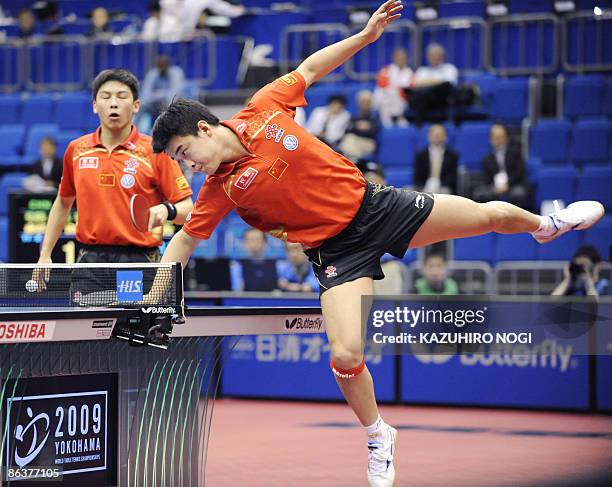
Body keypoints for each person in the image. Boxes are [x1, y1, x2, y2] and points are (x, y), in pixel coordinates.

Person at [148, 2, 604, 484]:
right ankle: (378, 435)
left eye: (183, 154)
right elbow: (183, 243)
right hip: (336, 252)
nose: (187, 166)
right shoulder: (219, 190)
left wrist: (366, 36)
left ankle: (547, 225)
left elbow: (311, 67)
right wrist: (155, 296)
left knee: (489, 214)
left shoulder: (263, 107)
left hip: (377, 207)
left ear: (203, 128)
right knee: (345, 356)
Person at [35, 69, 193, 297]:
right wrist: (45, 254)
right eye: (106, 97)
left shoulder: (154, 152)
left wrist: (166, 210)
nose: (114, 104)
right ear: (94, 106)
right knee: (84, 331)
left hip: (139, 260)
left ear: (136, 105)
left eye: (122, 96)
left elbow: (189, 212)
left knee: (136, 330)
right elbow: (63, 203)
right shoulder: (76, 150)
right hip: (90, 262)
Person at [473, 123, 531, 210]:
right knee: (480, 193)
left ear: (506, 137)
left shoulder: (515, 153)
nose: (497, 139)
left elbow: (519, 172)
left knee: (519, 193)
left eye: (500, 136)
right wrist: (495, 187)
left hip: (512, 185)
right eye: (494, 137)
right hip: (494, 187)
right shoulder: (487, 159)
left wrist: (507, 185)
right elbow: (486, 178)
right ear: (490, 139)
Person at [407, 43, 458, 125]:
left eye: (437, 55)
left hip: (441, 99)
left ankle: (418, 124)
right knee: (417, 93)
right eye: (432, 55)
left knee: (443, 87)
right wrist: (435, 82)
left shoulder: (449, 68)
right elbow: (415, 83)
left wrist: (427, 82)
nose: (434, 57)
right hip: (425, 98)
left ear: (442, 56)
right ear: (428, 56)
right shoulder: (422, 70)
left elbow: (448, 84)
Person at [137, 55, 186, 133]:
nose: (162, 67)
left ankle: (171, 131)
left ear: (168, 65)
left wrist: (159, 95)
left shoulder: (177, 72)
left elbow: (174, 94)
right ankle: (136, 130)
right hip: (155, 104)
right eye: (160, 66)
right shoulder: (153, 73)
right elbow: (145, 94)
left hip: (172, 103)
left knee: (170, 104)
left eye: (164, 65)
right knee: (141, 104)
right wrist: (159, 96)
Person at [372, 48, 413, 127]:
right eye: (398, 57)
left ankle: (388, 124)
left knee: (392, 94)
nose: (400, 59)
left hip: (403, 99)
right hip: (386, 96)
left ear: (406, 59)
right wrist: (397, 87)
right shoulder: (386, 70)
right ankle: (397, 119)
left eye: (402, 57)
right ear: (394, 58)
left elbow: (410, 87)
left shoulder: (410, 72)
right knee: (387, 95)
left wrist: (396, 88)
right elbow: (382, 84)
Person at [414, 124, 458, 194]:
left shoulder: (452, 155)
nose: (437, 137)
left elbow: (453, 177)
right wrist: (426, 186)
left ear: (445, 137)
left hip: (443, 187)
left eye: (440, 135)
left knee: (445, 192)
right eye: (435, 135)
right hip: (424, 187)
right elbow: (417, 177)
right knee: (408, 190)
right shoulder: (421, 155)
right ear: (429, 136)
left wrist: (438, 184)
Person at [339, 90, 381, 161]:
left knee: (349, 141)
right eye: (362, 101)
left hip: (369, 142)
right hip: (355, 140)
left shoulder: (375, 115)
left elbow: (373, 131)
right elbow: (348, 130)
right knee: (349, 139)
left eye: (367, 101)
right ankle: (355, 161)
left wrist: (358, 127)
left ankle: (352, 162)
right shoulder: (355, 115)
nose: (365, 104)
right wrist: (361, 127)